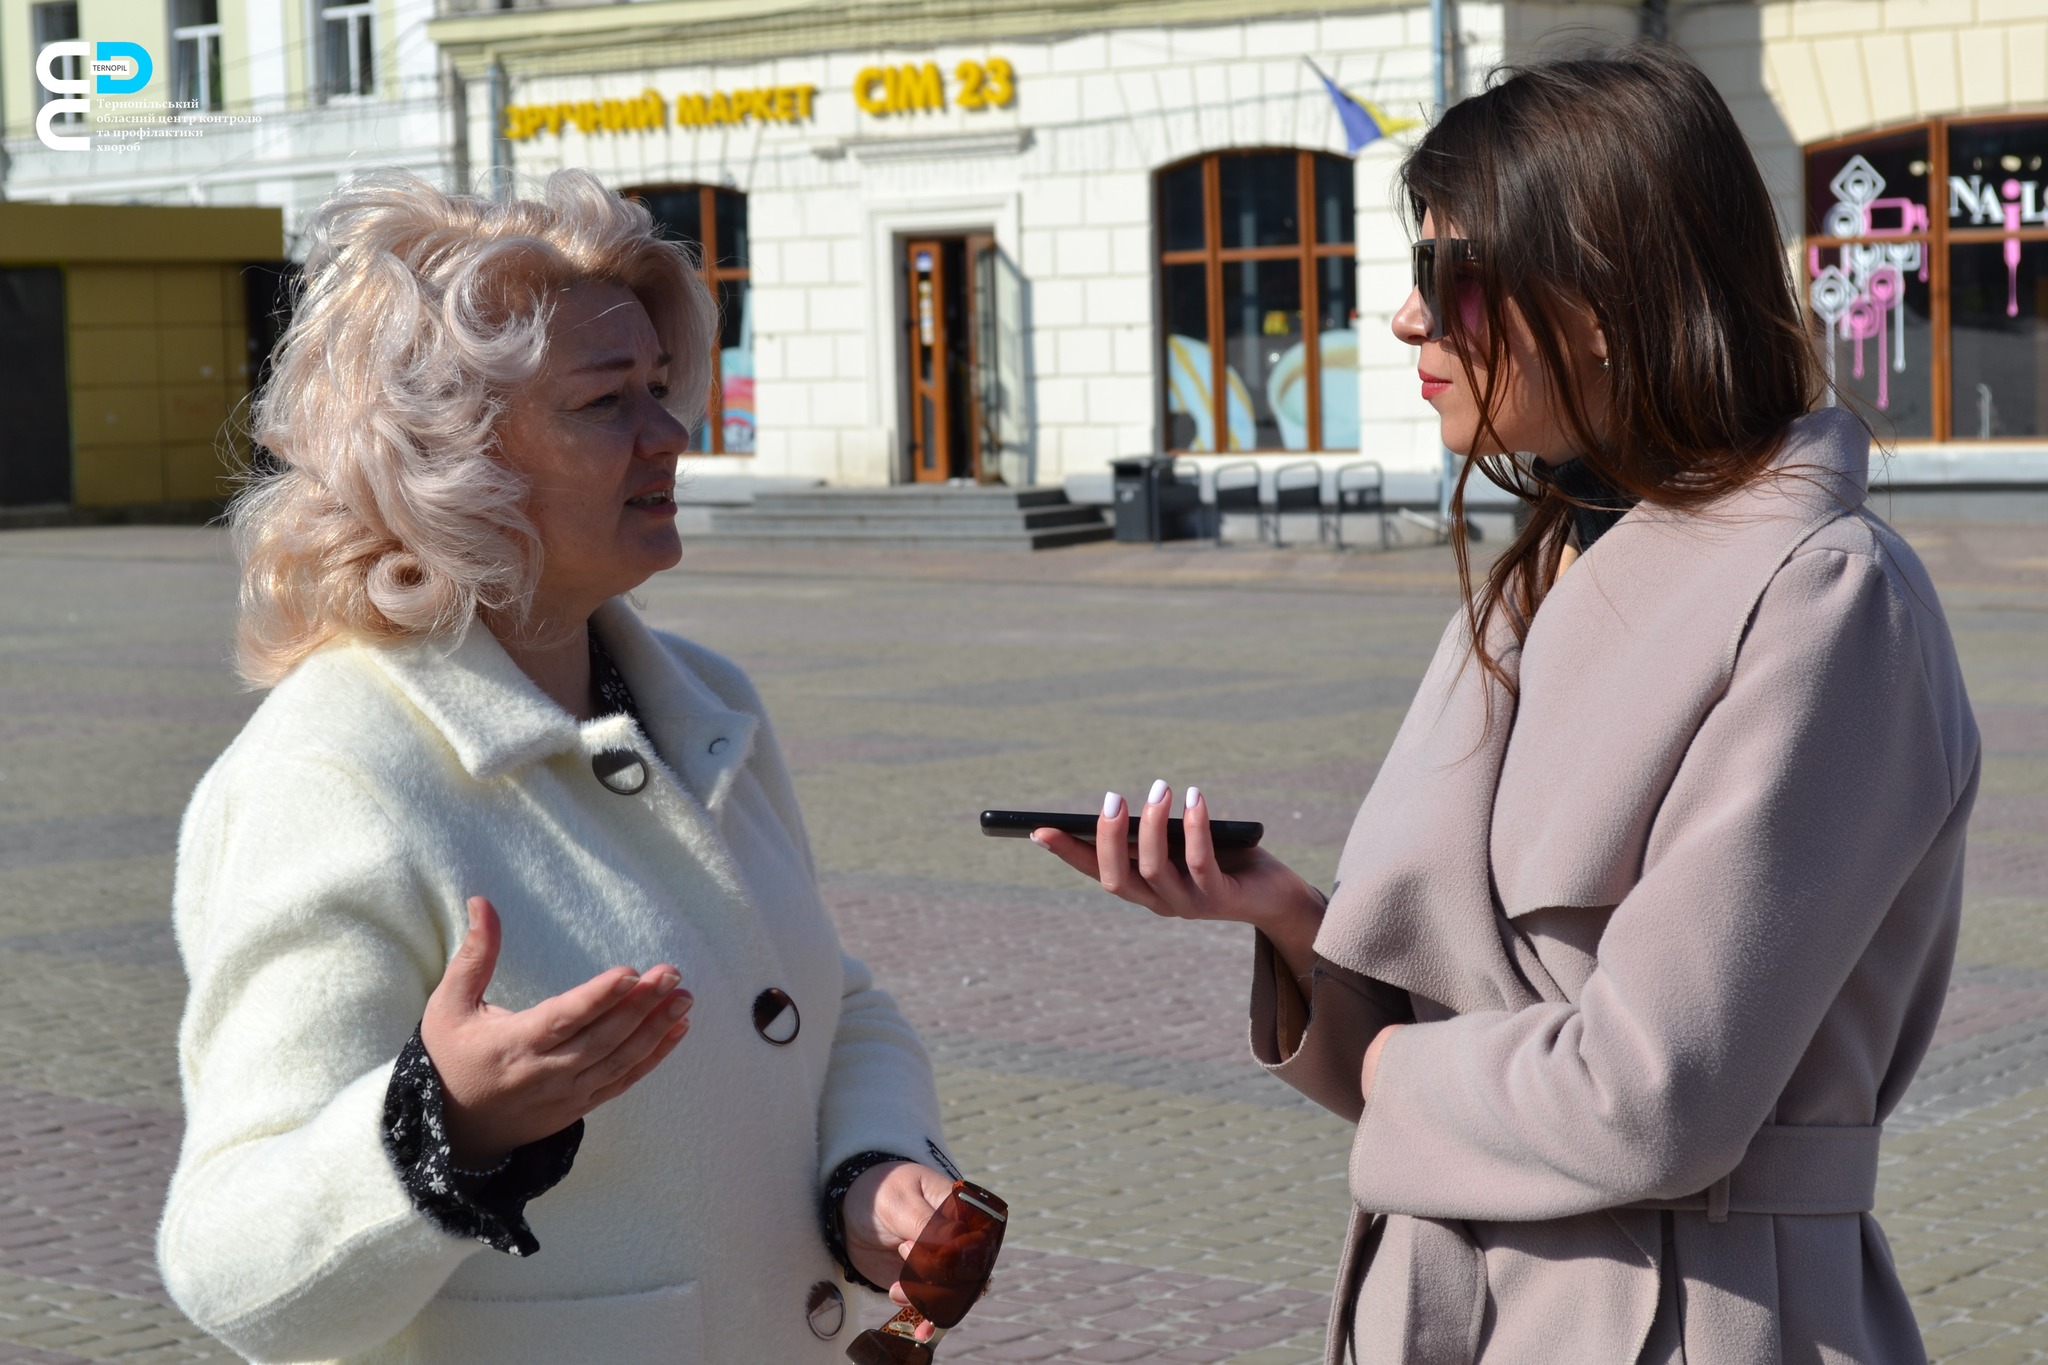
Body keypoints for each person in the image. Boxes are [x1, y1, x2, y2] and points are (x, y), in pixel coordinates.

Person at [1035, 48, 1975, 1365]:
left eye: (1446, 278)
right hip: (1458, 1297)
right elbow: (1479, 1001)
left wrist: (1384, 1082)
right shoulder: (1548, 560)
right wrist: (1289, 921)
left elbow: (1656, 1096)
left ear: (1602, 296)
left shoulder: (1827, 595)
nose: (1407, 322)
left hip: (1690, 1314)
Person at [159, 169, 972, 1364]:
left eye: (659, 386)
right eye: (606, 401)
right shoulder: (333, 770)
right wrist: (441, 1127)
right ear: (447, 453)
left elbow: (825, 1003)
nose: (670, 434)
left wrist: (871, 1172)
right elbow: (233, 1275)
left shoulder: (703, 702)